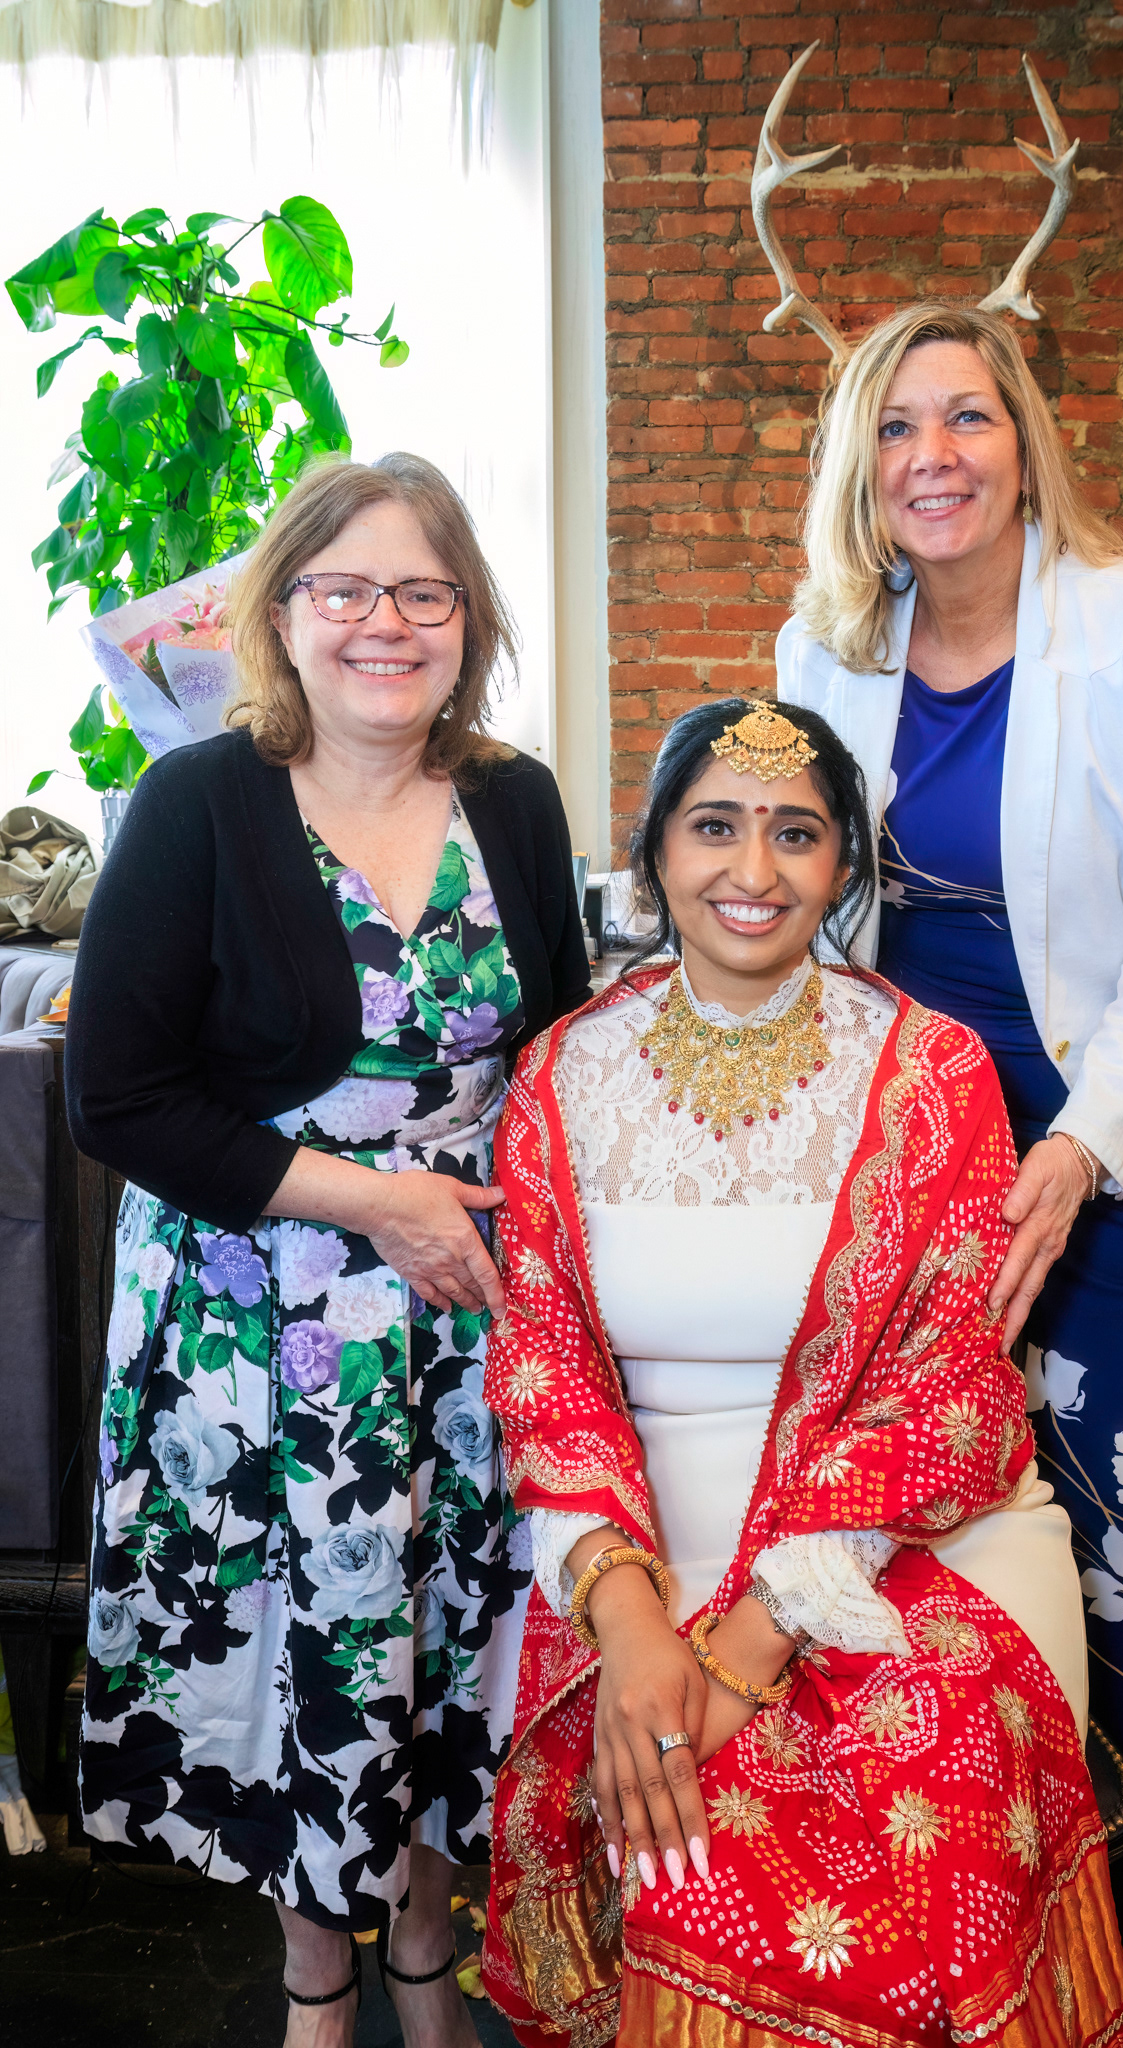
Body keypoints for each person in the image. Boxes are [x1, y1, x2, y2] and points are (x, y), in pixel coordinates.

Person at [479, 697, 1123, 2048]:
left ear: (843, 866)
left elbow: (951, 1388)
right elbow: (544, 1363)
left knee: (913, 1791)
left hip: (910, 1525)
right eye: (713, 827)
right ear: (655, 853)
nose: (753, 871)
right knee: (662, 1825)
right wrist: (633, 1625)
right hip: (638, 1531)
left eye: (796, 834)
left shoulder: (932, 1071)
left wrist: (752, 1641)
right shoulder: (559, 1076)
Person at [778, 303, 1123, 2043]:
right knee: (911, 1511)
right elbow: (797, 902)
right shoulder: (824, 648)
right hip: (927, 1153)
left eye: (967, 417)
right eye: (896, 425)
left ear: (1022, 441)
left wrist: (1070, 1155)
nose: (934, 457)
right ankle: (964, 1897)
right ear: (861, 468)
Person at [66, 452, 591, 2047]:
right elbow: (118, 1097)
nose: (386, 623)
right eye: (344, 588)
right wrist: (376, 1202)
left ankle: (424, 1956)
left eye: (424, 592)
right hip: (258, 1320)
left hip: (464, 1321)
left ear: (469, 620)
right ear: (281, 615)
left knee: (441, 1649)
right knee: (315, 1659)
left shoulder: (514, 798)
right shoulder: (199, 802)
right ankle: (314, 1986)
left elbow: (558, 1050)